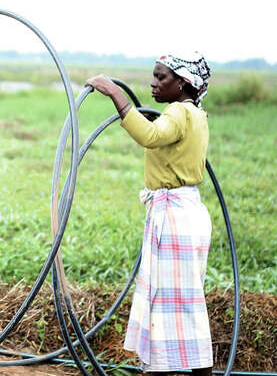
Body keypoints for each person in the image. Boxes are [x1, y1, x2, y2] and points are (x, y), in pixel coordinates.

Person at [85, 52, 214, 376]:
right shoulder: (195, 113)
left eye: (161, 78)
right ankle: (157, 368)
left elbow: (150, 136)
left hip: (176, 219)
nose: (154, 84)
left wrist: (114, 92)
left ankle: (181, 370)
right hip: (184, 213)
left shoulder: (179, 112)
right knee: (173, 303)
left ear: (183, 83)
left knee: (177, 304)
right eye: (154, 77)